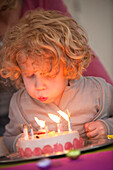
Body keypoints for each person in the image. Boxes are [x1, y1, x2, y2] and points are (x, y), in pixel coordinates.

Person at [0, 9, 113, 153]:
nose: (39, 86)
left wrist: (108, 127)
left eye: (49, 75)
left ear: (69, 66)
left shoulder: (98, 91)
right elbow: (9, 138)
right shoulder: (20, 104)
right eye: (29, 75)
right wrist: (20, 142)